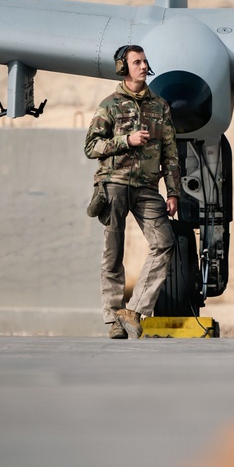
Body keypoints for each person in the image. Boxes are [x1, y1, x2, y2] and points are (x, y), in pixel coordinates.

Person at [84, 45, 180, 339]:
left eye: (145, 61)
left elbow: (170, 152)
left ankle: (133, 311)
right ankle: (115, 319)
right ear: (123, 68)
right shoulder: (110, 105)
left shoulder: (160, 106)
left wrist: (173, 191)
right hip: (114, 183)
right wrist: (127, 140)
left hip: (147, 187)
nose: (143, 66)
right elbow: (91, 147)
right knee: (113, 253)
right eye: (137, 62)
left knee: (164, 242)